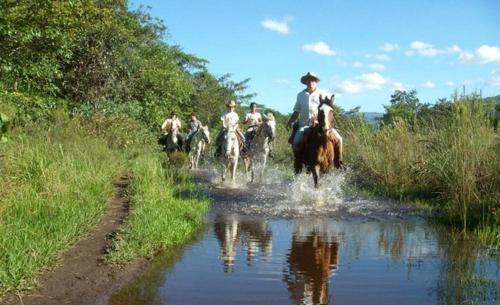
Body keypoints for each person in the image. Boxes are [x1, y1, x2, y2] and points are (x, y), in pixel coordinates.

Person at [286, 72, 343, 164]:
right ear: (305, 82)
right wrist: (289, 122)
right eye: (308, 80)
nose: (311, 82)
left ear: (316, 82)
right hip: (304, 125)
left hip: (322, 125)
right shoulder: (300, 95)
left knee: (339, 139)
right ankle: (298, 162)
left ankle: (339, 162)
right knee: (296, 143)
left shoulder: (323, 93)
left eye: (313, 80)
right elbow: (296, 111)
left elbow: (329, 109)